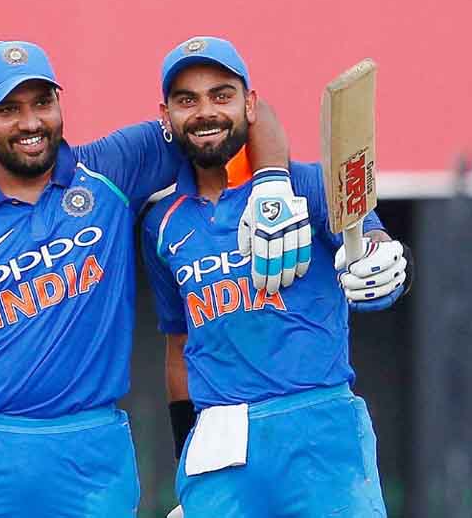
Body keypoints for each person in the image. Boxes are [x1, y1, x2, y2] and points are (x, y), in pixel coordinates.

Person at [0, 40, 307, 518]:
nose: (30, 123)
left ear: (59, 104)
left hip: (90, 459)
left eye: (42, 103)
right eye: (9, 109)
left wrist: (271, 184)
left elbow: (246, 111)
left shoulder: (114, 168)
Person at [142, 36, 412, 518]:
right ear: (167, 115)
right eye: (187, 100)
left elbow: (370, 238)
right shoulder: (161, 222)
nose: (206, 112)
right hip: (220, 444)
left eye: (221, 95)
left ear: (249, 104)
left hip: (321, 430)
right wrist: (187, 455)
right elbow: (178, 346)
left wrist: (385, 262)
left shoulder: (306, 183)